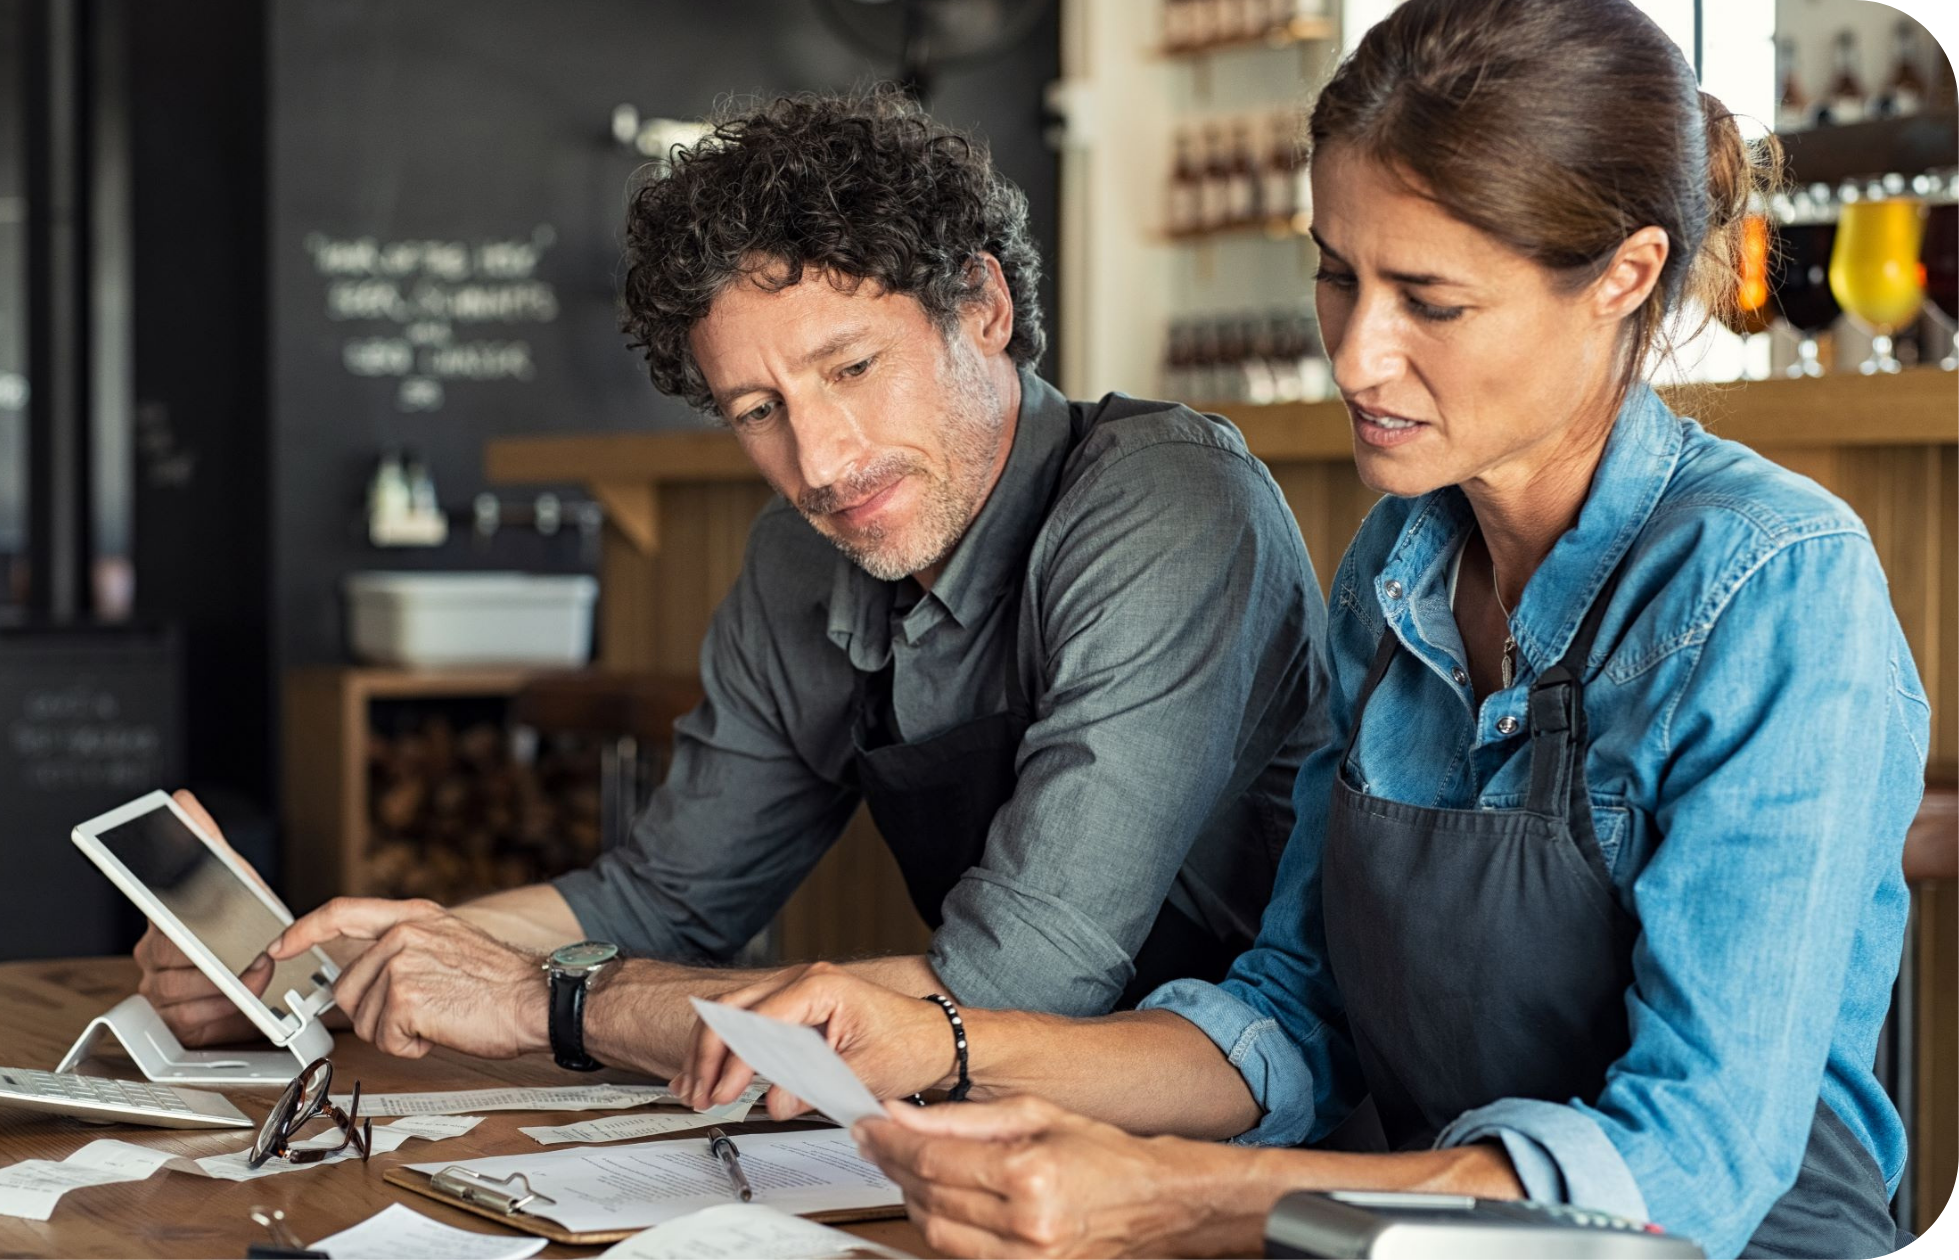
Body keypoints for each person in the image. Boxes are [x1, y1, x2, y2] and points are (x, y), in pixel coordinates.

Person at [673, 4, 1922, 1258]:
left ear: (1622, 276)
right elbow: (1295, 1012)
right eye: (1337, 275)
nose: (1357, 357)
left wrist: (1173, 1199)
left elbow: (1695, 1158)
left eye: (1427, 300)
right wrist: (940, 1046)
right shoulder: (1398, 562)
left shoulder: (1770, 584)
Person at [135, 90, 1331, 1077]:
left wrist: (543, 1003)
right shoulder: (798, 556)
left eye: (852, 367)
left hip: (1258, 1127)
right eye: (757, 412)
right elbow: (666, 895)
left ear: (981, 308)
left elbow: (1013, 987)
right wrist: (331, 960)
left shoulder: (1165, 506)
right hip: (1001, 1132)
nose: (818, 464)